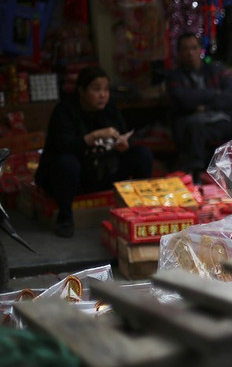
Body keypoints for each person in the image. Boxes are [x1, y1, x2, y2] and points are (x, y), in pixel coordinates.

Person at [35, 66, 153, 238]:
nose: (102, 95)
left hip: (102, 172)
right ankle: (65, 218)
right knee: (66, 163)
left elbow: (124, 136)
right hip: (73, 178)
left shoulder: (109, 109)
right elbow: (62, 145)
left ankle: (142, 210)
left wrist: (124, 145)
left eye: (106, 90)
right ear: (82, 91)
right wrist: (93, 137)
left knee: (142, 154)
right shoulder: (64, 110)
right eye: (96, 89)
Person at [167, 33, 232, 181]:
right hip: (198, 125)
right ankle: (197, 175)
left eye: (194, 48)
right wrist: (214, 93)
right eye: (185, 49)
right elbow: (183, 99)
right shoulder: (175, 76)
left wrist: (203, 104)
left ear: (200, 50)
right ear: (179, 52)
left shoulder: (216, 70)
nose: (190, 53)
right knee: (194, 127)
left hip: (223, 122)